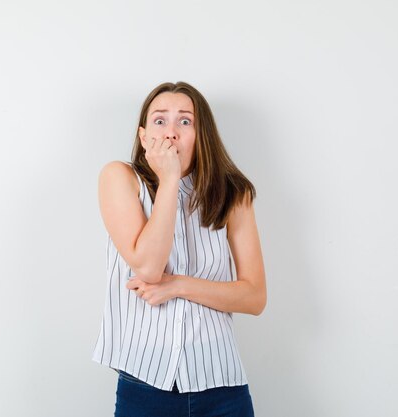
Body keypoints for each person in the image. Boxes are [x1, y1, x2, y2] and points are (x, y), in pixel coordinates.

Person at [91, 81, 267, 417]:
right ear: (143, 137)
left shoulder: (234, 194)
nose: (171, 132)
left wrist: (178, 286)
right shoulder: (120, 178)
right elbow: (148, 267)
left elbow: (255, 297)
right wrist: (169, 179)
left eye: (185, 121)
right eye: (160, 121)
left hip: (222, 385)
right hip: (145, 384)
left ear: (202, 136)